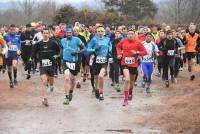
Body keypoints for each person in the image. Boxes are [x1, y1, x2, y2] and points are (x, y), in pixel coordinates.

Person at [116, 27, 147, 106]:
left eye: (132, 34)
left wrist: (137, 52)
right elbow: (118, 47)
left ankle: (131, 91)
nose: (130, 35)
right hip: (124, 63)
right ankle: (125, 99)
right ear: (127, 35)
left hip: (133, 64)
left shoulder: (138, 43)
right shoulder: (123, 41)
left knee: (132, 81)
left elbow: (145, 52)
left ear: (134, 35)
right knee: (127, 80)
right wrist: (119, 53)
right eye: (129, 34)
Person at [31, 28, 60, 106]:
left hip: (51, 65)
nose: (45, 34)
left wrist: (55, 56)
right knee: (44, 81)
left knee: (51, 81)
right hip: (42, 65)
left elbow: (59, 52)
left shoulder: (53, 43)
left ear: (49, 34)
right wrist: (30, 59)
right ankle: (45, 98)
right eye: (44, 33)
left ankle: (51, 86)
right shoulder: (38, 44)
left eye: (47, 33)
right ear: (42, 34)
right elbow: (33, 52)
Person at [87, 26, 112, 101]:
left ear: (104, 32)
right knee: (96, 77)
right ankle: (97, 89)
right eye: (99, 31)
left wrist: (109, 51)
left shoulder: (107, 39)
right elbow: (88, 49)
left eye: (102, 31)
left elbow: (110, 46)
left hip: (104, 60)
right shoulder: (94, 39)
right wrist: (94, 49)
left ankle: (101, 93)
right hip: (96, 60)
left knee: (101, 76)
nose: (100, 33)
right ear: (96, 32)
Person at [61, 27, 85, 105]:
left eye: (70, 33)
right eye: (67, 33)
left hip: (74, 61)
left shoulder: (77, 40)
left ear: (72, 33)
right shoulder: (62, 41)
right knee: (67, 78)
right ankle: (66, 97)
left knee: (73, 80)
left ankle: (71, 91)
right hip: (65, 62)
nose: (68, 34)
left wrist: (77, 52)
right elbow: (61, 49)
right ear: (65, 33)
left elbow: (84, 48)